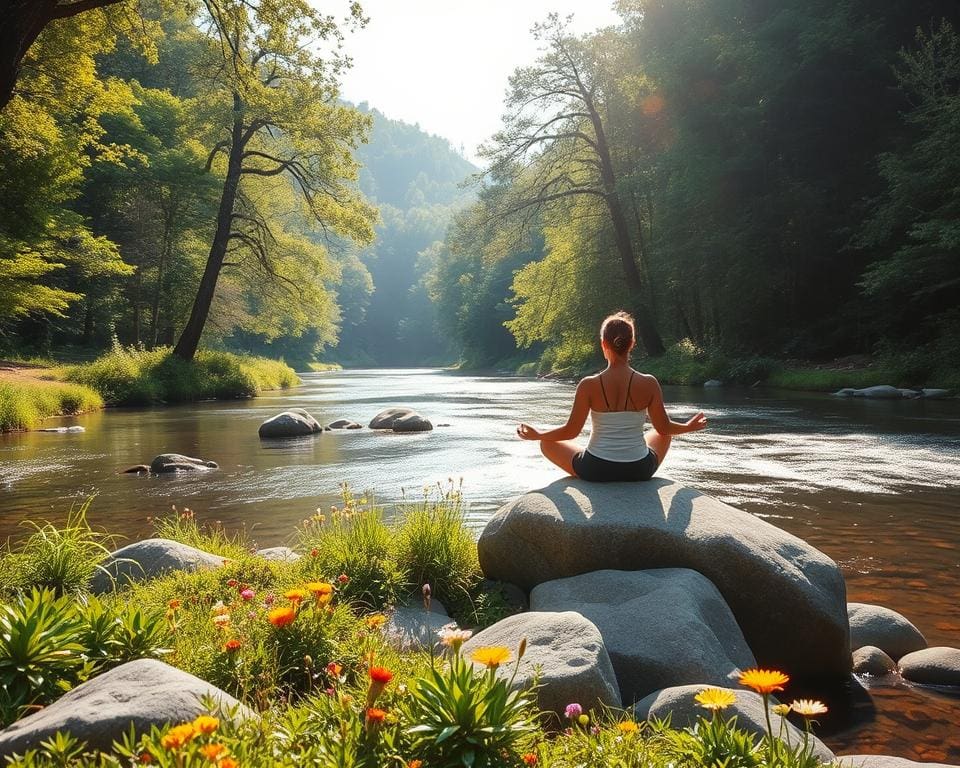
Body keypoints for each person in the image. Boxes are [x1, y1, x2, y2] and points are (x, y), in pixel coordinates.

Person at [516, 311, 708, 481]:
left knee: (547, 444)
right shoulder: (649, 382)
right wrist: (688, 427)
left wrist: (538, 435)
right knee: (663, 434)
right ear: (632, 344)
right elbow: (664, 428)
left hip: (596, 469)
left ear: (603, 344)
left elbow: (571, 431)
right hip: (639, 469)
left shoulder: (588, 385)